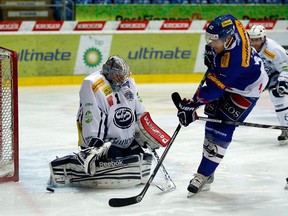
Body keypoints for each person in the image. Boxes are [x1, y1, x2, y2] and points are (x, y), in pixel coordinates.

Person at [175, 14, 269, 196]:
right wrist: (212, 53)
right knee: (211, 122)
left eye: (214, 42)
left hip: (247, 89)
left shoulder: (234, 62)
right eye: (208, 39)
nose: (210, 44)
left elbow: (213, 91)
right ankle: (208, 171)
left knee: (222, 126)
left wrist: (192, 104)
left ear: (228, 40)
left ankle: (203, 174)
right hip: (234, 78)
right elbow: (229, 18)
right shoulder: (231, 24)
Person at [48, 55, 171, 188]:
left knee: (140, 159)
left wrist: (145, 131)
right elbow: (92, 116)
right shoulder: (93, 85)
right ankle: (73, 165)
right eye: (119, 76)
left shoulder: (127, 82)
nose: (123, 79)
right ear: (109, 73)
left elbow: (139, 109)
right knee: (116, 159)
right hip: (107, 142)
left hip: (126, 139)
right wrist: (94, 143)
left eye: (124, 75)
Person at [249, 25, 288, 145]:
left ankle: (286, 128)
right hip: (262, 74)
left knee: (277, 95)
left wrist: (283, 81)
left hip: (277, 74)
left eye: (257, 39)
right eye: (252, 40)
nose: (255, 43)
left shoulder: (273, 49)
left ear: (263, 38)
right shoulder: (247, 48)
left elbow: (285, 68)